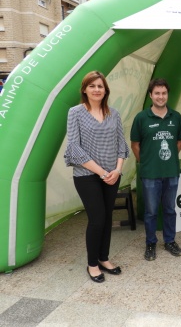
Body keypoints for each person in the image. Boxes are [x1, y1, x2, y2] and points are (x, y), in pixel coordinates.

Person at [64, 71, 129, 283]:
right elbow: (74, 148)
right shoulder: (75, 112)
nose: (97, 90)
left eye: (100, 86)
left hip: (112, 175)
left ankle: (104, 258)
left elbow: (121, 144)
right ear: (85, 89)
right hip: (87, 175)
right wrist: (101, 172)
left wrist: (117, 170)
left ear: (105, 90)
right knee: (97, 219)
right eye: (92, 86)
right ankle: (92, 264)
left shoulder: (114, 113)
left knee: (108, 218)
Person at [130, 78, 181, 261]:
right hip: (150, 174)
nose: (161, 97)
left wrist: (167, 160)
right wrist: (146, 162)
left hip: (171, 172)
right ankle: (151, 243)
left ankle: (170, 241)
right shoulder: (141, 118)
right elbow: (135, 145)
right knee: (151, 211)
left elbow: (179, 143)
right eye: (157, 93)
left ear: (167, 94)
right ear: (151, 95)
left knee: (169, 209)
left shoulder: (176, 117)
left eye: (163, 93)